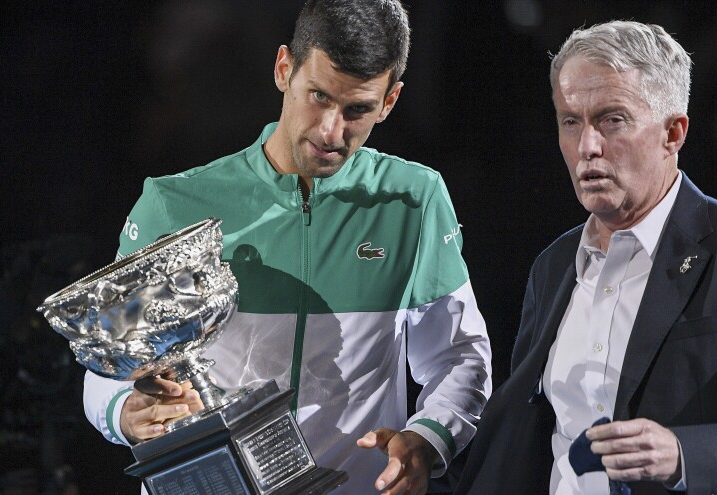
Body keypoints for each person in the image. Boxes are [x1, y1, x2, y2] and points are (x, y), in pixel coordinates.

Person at [83, 1, 492, 494]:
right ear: (283, 69)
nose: (330, 131)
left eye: (357, 109)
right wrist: (123, 411)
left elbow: (460, 356)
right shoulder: (172, 203)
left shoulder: (415, 200)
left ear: (389, 102)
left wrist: (427, 438)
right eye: (318, 96)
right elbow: (105, 364)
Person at [455, 20, 717, 495]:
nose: (587, 147)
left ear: (673, 133)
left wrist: (684, 454)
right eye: (570, 121)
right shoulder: (552, 267)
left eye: (611, 120)